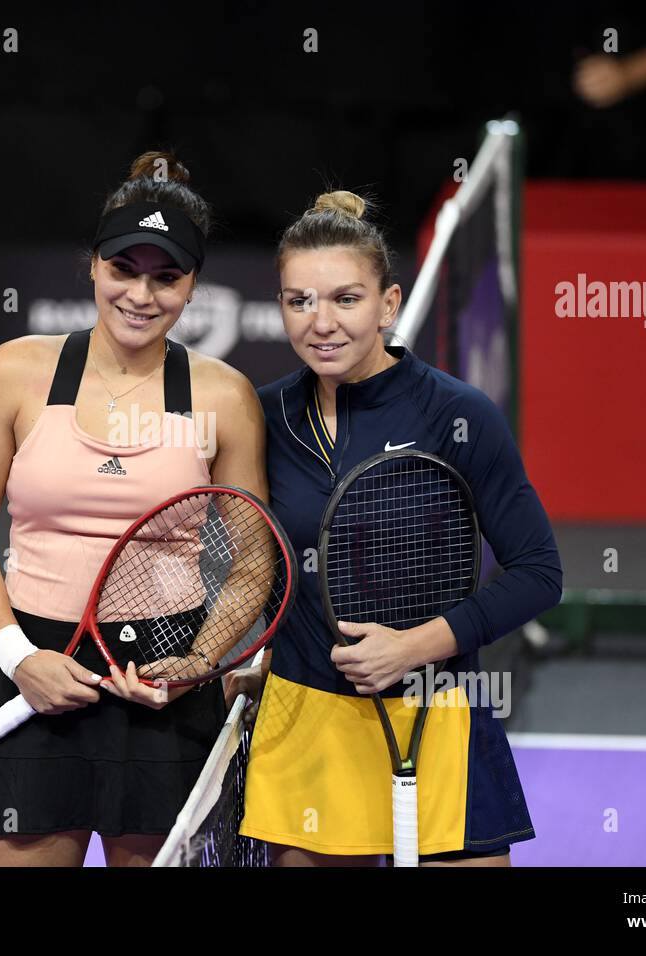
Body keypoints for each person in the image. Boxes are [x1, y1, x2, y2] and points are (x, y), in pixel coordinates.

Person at [0, 151, 267, 866]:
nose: (141, 295)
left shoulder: (224, 396)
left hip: (165, 685)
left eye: (166, 277)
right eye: (124, 270)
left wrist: (201, 661)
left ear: (193, 286)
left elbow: (254, 560)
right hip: (35, 668)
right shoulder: (13, 373)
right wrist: (19, 655)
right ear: (92, 265)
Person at [237, 190, 563, 866]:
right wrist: (242, 650)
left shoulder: (457, 415)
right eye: (299, 301)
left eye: (345, 300)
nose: (320, 322)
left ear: (389, 304)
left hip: (439, 713)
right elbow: (247, 558)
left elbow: (538, 573)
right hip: (307, 723)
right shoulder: (258, 419)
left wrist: (415, 647)